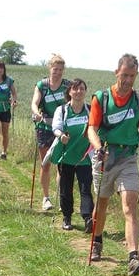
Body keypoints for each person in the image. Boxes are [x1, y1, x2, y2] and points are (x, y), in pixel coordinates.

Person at [87, 53, 139, 276]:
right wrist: (98, 148)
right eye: (124, 75)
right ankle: (97, 240)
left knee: (130, 204)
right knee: (102, 202)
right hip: (106, 154)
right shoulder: (101, 98)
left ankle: (134, 257)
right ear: (116, 73)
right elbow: (91, 128)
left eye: (132, 76)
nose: (127, 80)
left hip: (128, 157)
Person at [50, 78, 94, 232]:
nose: (79, 91)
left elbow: (96, 129)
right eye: (75, 89)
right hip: (66, 156)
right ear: (69, 92)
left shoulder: (90, 110)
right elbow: (56, 127)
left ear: (85, 91)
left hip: (85, 158)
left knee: (85, 188)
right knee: (65, 188)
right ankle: (67, 216)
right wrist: (61, 135)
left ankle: (88, 218)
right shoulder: (62, 110)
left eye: (82, 88)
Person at [31, 54, 71, 211]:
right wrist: (36, 113)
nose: (58, 73)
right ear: (50, 69)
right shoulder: (42, 85)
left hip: (62, 128)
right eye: (56, 69)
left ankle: (61, 198)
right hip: (45, 126)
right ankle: (46, 198)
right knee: (46, 163)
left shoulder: (67, 85)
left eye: (61, 70)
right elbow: (34, 102)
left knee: (61, 164)